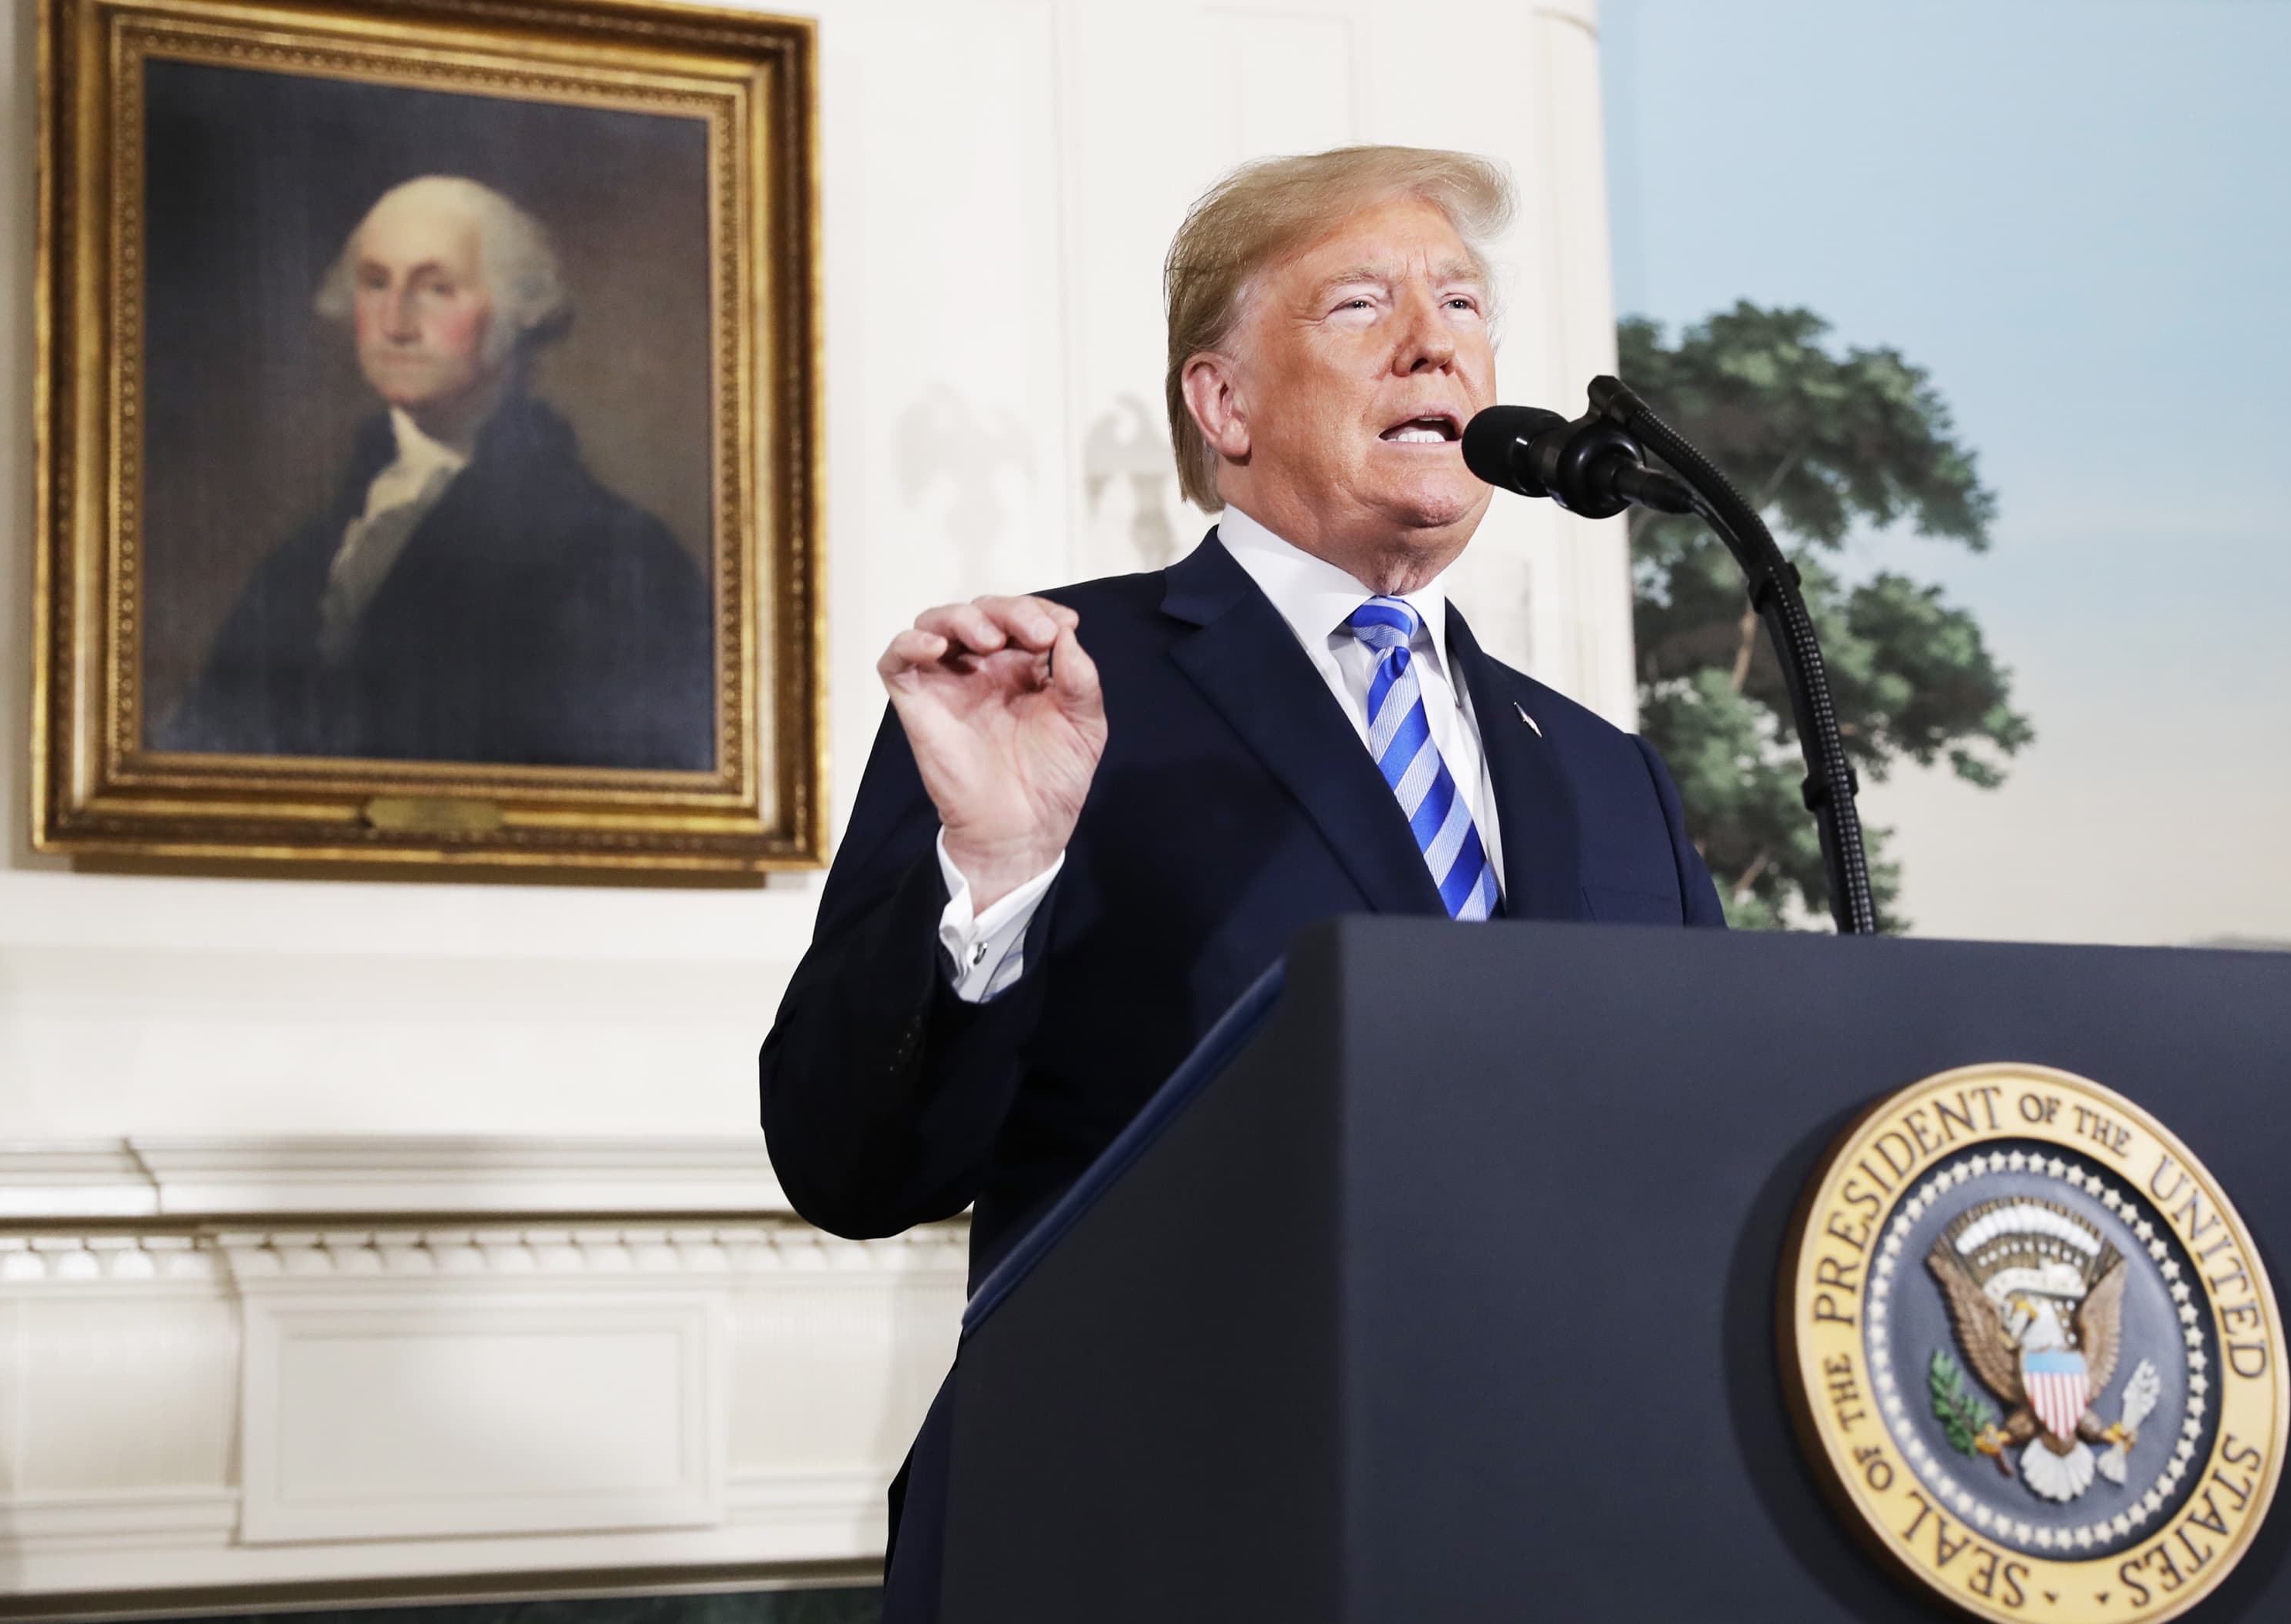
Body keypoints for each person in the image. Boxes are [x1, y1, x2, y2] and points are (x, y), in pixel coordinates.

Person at [759, 145, 1726, 1617]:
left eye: (1463, 303)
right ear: (1225, 406)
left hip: (1542, 1533)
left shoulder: (1608, 776)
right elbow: (850, 1161)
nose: (1435, 340)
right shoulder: (1043, 686)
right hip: (1150, 1533)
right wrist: (999, 864)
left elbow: (1696, 1167)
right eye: (1360, 303)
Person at [156, 175, 713, 770]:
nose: (395, 322)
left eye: (437, 289)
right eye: (375, 284)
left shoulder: (619, 557)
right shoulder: (305, 557)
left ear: (516, 311)